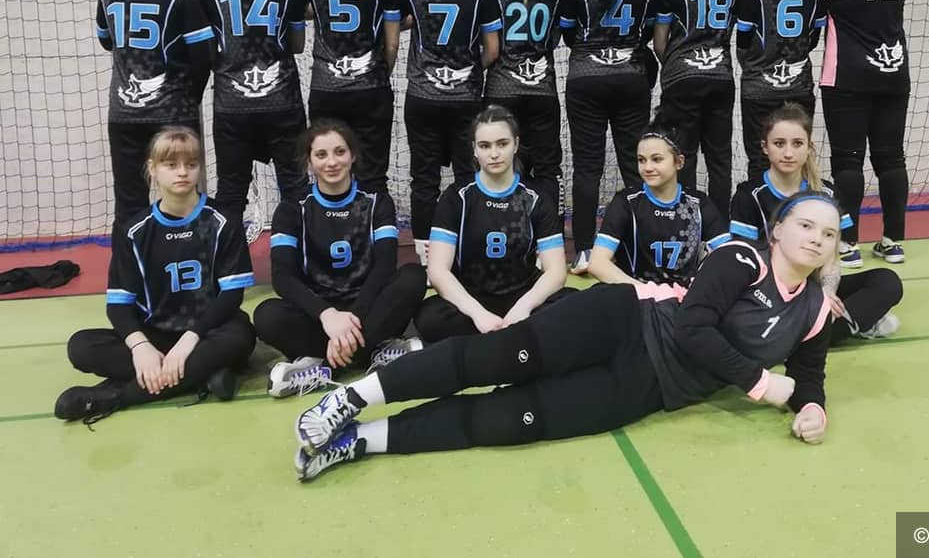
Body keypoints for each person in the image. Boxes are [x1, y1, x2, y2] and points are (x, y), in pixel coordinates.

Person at [291, 190, 841, 481]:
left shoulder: (816, 309)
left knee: (512, 420)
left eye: (830, 233)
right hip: (623, 322)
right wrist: (761, 384)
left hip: (648, 388)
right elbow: (696, 329)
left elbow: (809, 375)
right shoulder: (741, 259)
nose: (816, 238)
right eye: (805, 225)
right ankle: (349, 399)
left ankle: (359, 441)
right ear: (777, 230)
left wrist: (811, 407)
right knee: (491, 359)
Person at [55, 127, 256, 423]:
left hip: (208, 332)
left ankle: (115, 396)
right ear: (153, 169)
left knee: (241, 336)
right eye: (171, 164)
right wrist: (141, 348)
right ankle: (203, 374)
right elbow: (118, 306)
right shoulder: (134, 231)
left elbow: (231, 296)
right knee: (81, 347)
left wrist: (187, 343)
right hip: (156, 335)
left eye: (191, 164)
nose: (182, 172)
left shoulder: (223, 221)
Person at [253, 120, 427, 396]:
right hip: (319, 314)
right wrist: (328, 315)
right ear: (309, 161)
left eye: (340, 152)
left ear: (353, 155)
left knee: (413, 277)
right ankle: (372, 353)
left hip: (368, 308)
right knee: (266, 315)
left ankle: (322, 364)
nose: (332, 162)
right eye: (321, 155)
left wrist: (351, 321)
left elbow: (384, 267)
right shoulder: (291, 209)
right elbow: (283, 278)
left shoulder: (377, 202)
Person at [728, 102, 902, 341]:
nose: (788, 153)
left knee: (887, 281)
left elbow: (831, 259)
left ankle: (815, 332)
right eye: (779, 143)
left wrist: (827, 294)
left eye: (797, 144)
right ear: (765, 147)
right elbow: (742, 263)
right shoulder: (749, 196)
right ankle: (839, 328)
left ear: (809, 148)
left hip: (813, 286)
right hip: (769, 292)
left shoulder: (826, 193)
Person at [813, 0, 913, 266]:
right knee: (891, 158)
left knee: (848, 160)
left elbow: (816, 17)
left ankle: (848, 244)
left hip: (847, 75)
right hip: (893, 72)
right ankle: (893, 240)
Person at [95, 0, 213, 225]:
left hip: (125, 113)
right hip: (172, 113)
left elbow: (106, 40)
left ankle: (129, 258)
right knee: (182, 195)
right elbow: (204, 56)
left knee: (128, 199)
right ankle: (186, 256)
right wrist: (191, 97)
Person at [416, 105, 573, 342]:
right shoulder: (456, 197)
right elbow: (438, 270)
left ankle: (490, 342)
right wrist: (477, 314)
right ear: (474, 149)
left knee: (573, 303)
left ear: (516, 145)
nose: (494, 153)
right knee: (429, 317)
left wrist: (523, 309)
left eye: (502, 144)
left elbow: (557, 271)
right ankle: (514, 339)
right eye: (485, 146)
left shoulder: (536, 198)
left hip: (523, 296)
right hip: (471, 299)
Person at [557, 0, 657, 275]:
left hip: (586, 80)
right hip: (631, 79)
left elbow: (568, 34)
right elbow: (649, 33)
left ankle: (584, 250)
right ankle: (638, 247)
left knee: (588, 167)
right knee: (635, 164)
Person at [399, 0, 501, 265]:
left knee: (423, 178)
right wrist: (468, 72)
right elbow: (492, 51)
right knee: (468, 174)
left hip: (422, 97)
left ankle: (426, 257)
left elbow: (393, 34)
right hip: (465, 98)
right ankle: (467, 249)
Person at [195, 0, 307, 218]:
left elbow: (205, 48)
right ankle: (297, 247)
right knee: (295, 187)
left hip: (232, 104)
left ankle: (230, 249)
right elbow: (297, 45)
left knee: (231, 190)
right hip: (282, 101)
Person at [285, 0, 401, 194]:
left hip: (327, 90)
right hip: (371, 89)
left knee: (329, 175)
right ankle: (377, 225)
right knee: (374, 177)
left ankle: (330, 223)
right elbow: (392, 43)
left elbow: (296, 36)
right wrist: (381, 72)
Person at [653, 0, 739, 217]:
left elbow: (659, 43)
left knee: (683, 157)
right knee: (720, 159)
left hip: (683, 79)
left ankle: (687, 226)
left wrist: (676, 64)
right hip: (721, 78)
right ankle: (720, 228)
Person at [481, 0, 564, 217]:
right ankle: (549, 233)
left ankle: (501, 226)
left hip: (502, 89)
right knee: (547, 168)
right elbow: (554, 38)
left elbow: (491, 49)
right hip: (542, 90)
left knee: (499, 163)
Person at [734, 0, 825, 184]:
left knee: (760, 158)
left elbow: (742, 41)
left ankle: (760, 210)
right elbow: (813, 38)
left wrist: (759, 64)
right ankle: (798, 209)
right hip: (799, 86)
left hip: (759, 89)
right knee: (796, 158)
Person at [588, 114, 727, 288]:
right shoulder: (627, 203)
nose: (647, 168)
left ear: (679, 162)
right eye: (641, 160)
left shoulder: (698, 204)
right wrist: (647, 292)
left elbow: (729, 256)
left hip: (686, 298)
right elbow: (597, 263)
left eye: (657, 159)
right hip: (637, 295)